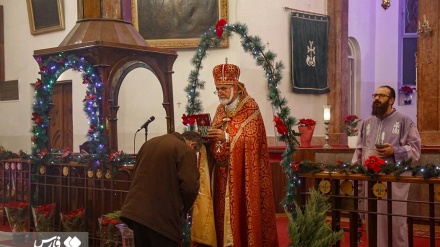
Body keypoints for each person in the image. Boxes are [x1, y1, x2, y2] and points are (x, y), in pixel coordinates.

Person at [206, 61, 279, 246]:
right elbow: (215, 134)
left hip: (241, 175)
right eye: (217, 89)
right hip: (220, 176)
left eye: (223, 88)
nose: (220, 92)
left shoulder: (250, 107)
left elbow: (253, 142)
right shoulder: (220, 109)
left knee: (239, 215)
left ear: (236, 86)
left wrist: (227, 137)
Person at [352, 85, 421, 247]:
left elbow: (416, 150)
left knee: (394, 222)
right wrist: (355, 171)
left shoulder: (404, 121)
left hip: (393, 183)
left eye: (381, 96)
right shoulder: (367, 122)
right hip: (370, 182)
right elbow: (359, 151)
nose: (376, 98)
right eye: (375, 95)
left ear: (391, 100)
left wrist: (394, 151)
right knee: (372, 219)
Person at [120, 131, 202, 247]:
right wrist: (183, 209)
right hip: (162, 220)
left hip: (136, 214)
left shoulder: (149, 143)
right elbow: (190, 187)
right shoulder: (186, 150)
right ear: (192, 145)